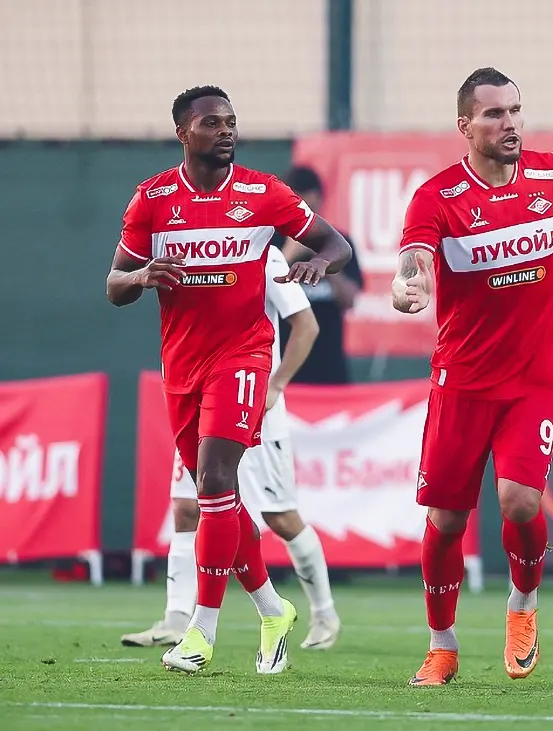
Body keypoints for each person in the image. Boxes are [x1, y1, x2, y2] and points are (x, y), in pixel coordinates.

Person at [392, 67, 553, 686]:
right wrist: (408, 285)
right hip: (463, 380)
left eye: (515, 111)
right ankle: (442, 645)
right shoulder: (437, 197)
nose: (510, 124)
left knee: (520, 500)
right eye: (494, 114)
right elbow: (415, 257)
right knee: (447, 520)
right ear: (465, 125)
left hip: (535, 375)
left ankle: (523, 603)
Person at [106, 85, 352, 675]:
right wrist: (141, 277)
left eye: (231, 122)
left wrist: (319, 263)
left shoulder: (264, 193)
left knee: (215, 481)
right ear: (183, 133)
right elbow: (113, 285)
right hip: (181, 366)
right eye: (212, 123)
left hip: (243, 358)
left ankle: (201, 630)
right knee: (216, 497)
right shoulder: (153, 200)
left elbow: (335, 243)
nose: (226, 131)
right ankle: (273, 608)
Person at [121, 245, 341, 653]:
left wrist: (276, 384)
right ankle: (175, 618)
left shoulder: (264, 255)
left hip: (252, 401)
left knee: (280, 516)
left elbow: (306, 325)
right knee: (187, 507)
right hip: (200, 398)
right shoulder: (188, 246)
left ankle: (324, 613)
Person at [275, 166, 364, 385]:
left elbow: (349, 300)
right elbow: (258, 292)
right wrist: (288, 255)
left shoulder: (339, 244)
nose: (305, 219)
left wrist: (324, 259)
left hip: (329, 370)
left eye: (311, 209)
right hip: (284, 371)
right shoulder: (273, 241)